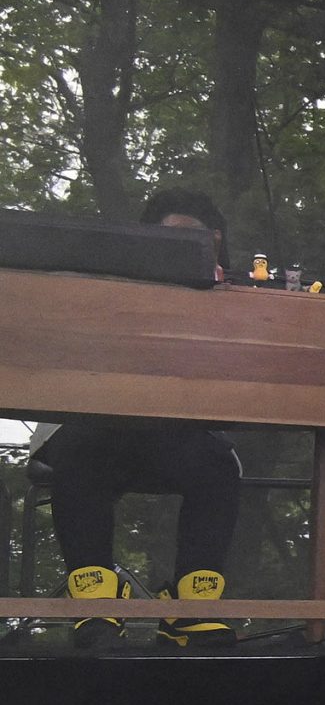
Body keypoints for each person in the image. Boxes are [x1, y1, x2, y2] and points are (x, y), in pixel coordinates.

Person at [41, 188, 244, 649]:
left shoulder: (234, 301)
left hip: (176, 438)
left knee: (219, 463)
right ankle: (94, 601)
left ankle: (193, 606)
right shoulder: (108, 285)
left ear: (214, 240)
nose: (176, 246)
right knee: (77, 447)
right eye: (164, 237)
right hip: (99, 433)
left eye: (191, 238)